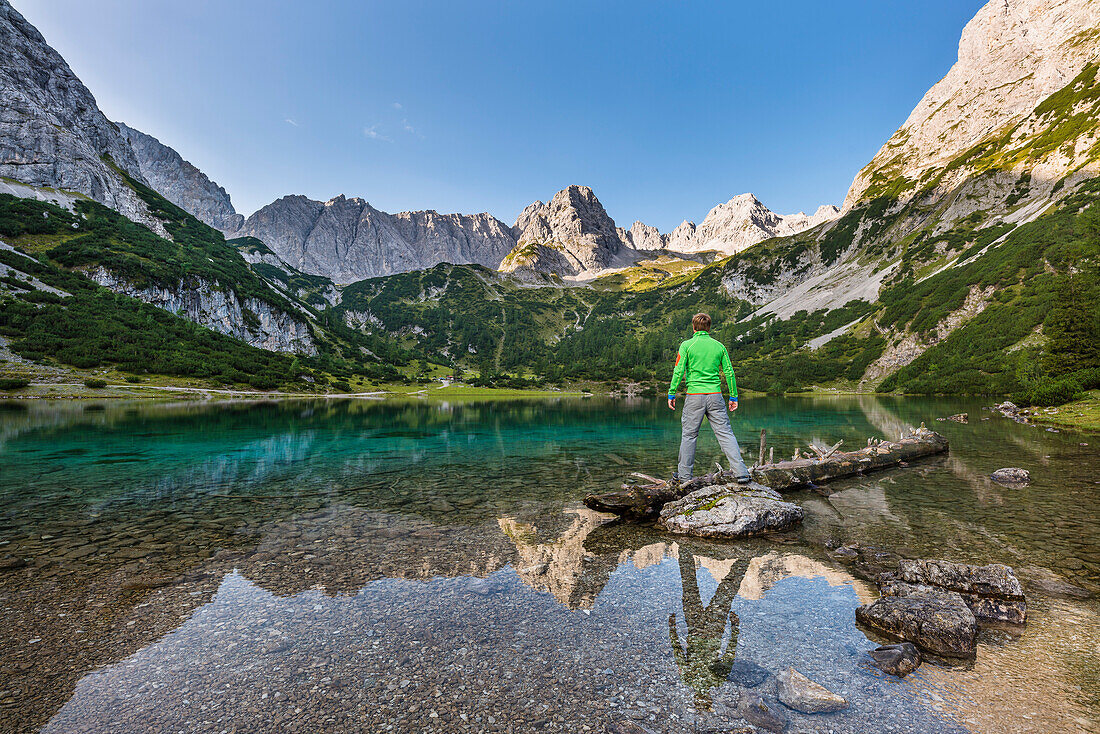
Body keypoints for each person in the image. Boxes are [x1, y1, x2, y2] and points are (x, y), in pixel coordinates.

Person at [667, 312, 750, 483]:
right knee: (726, 433)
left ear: (693, 327)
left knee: (689, 436)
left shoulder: (687, 345)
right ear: (709, 327)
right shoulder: (719, 346)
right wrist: (733, 396)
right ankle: (741, 472)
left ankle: (684, 477)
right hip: (715, 396)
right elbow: (729, 372)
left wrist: (672, 392)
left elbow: (678, 371)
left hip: (694, 396)